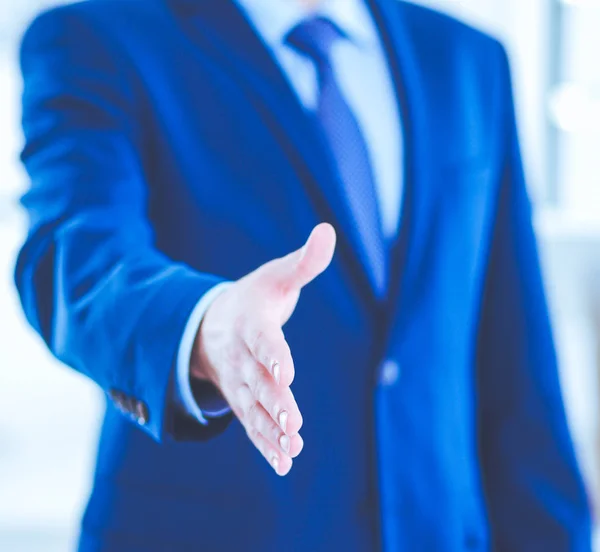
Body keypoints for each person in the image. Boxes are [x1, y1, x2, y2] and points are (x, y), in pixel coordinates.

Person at [15, 0, 592, 549]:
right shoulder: (97, 38)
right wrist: (204, 326)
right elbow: (75, 257)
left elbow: (517, 361)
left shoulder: (469, 61)